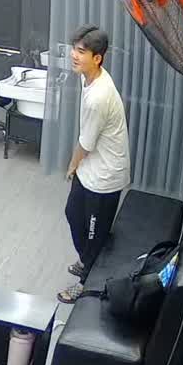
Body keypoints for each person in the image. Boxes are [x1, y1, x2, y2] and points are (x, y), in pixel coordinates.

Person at [59, 25, 131, 304]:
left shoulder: (99, 97)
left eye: (81, 51)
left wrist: (71, 166)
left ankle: (86, 281)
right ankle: (88, 261)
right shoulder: (88, 76)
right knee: (72, 213)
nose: (73, 55)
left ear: (97, 58)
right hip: (91, 165)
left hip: (105, 176)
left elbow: (86, 144)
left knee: (94, 234)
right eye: (74, 49)